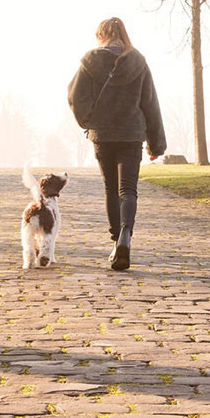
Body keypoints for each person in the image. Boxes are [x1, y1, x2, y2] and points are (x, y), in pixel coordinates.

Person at [68, 17, 166, 271]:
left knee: (111, 189)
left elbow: (75, 96)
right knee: (128, 189)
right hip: (132, 133)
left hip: (102, 134)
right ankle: (125, 236)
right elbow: (150, 104)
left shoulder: (89, 62)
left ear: (101, 35)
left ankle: (115, 242)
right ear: (123, 34)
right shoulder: (138, 62)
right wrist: (157, 144)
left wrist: (88, 120)